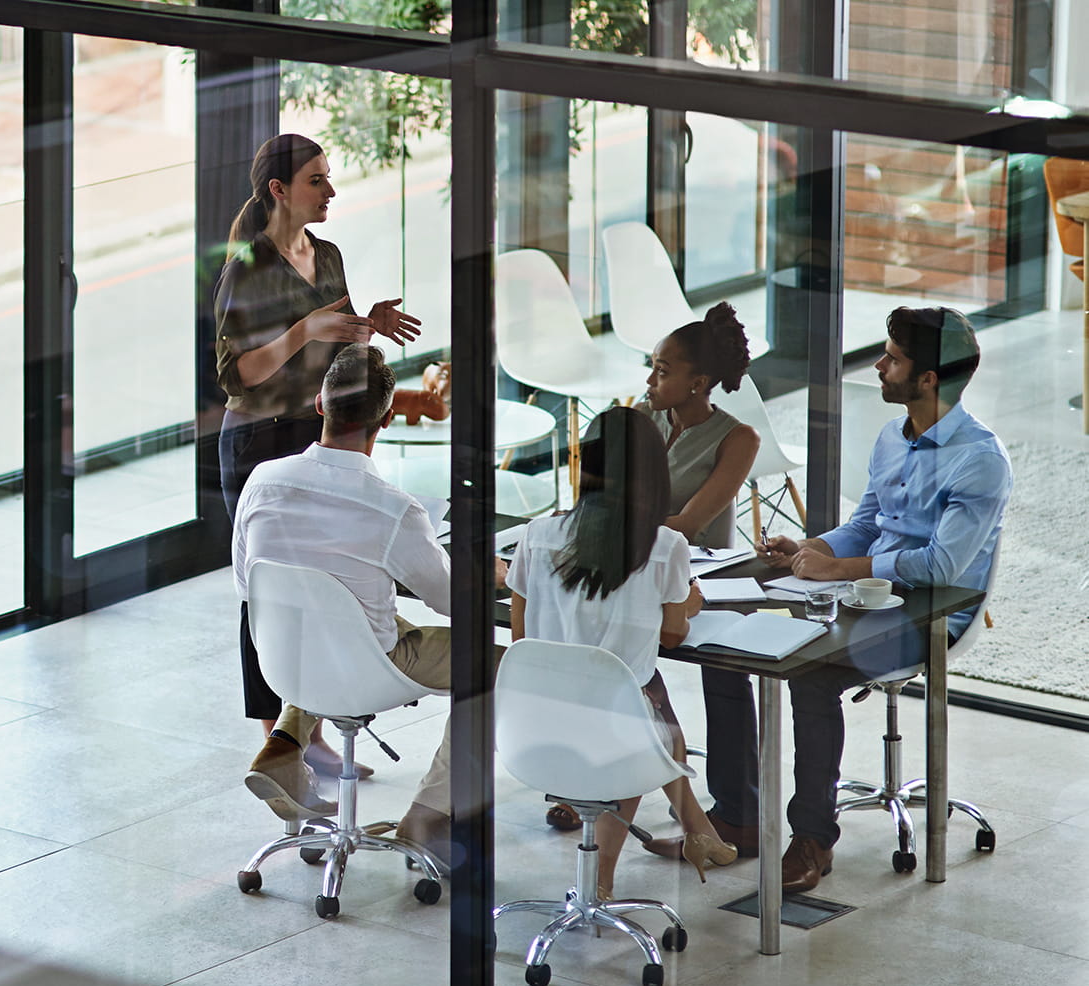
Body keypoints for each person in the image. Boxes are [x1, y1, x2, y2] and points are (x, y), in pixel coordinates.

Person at [750, 306, 1010, 892]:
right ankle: (736, 817)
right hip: (871, 595)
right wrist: (811, 547)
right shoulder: (892, 437)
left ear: (927, 380)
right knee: (766, 635)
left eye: (892, 358)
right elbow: (867, 524)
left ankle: (812, 838)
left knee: (810, 675)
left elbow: (943, 566)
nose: (879, 365)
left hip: (933, 612)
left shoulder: (980, 460)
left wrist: (839, 567)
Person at [214, 133, 420, 781]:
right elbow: (236, 374)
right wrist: (304, 329)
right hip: (258, 444)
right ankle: (280, 743)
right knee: (273, 595)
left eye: (330, 179)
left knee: (323, 587)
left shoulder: (325, 255)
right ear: (280, 190)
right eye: (317, 180)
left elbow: (338, 346)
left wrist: (370, 324)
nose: (330, 191)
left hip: (315, 438)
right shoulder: (247, 267)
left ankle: (307, 731)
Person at [234, 345, 487, 861]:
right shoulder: (394, 510)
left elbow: (248, 585)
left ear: (320, 405)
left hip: (285, 654)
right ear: (388, 420)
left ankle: (283, 745)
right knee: (495, 666)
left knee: (333, 619)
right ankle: (428, 815)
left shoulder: (262, 480)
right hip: (368, 666)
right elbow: (450, 601)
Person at [507, 407, 737, 897]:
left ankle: (700, 831)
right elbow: (672, 636)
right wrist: (690, 603)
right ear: (654, 478)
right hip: (614, 732)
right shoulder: (665, 547)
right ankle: (603, 878)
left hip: (535, 720)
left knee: (642, 701)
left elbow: (521, 638)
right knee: (641, 714)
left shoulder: (536, 535)